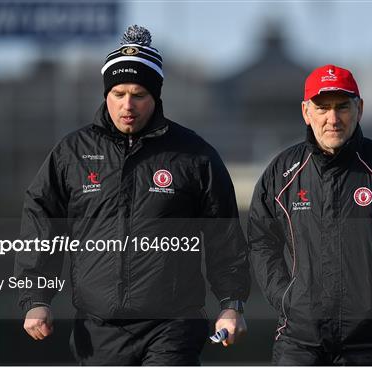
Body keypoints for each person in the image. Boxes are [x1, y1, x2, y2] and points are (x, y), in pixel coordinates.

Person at [14, 25, 250, 365]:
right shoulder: (71, 153)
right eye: (118, 93)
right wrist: (36, 298)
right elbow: (41, 224)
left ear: (155, 96)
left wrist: (231, 304)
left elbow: (223, 238)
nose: (128, 104)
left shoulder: (194, 155)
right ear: (106, 94)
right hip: (98, 331)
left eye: (138, 94)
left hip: (174, 326)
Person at [248, 64, 372, 365]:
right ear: (305, 112)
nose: (332, 118)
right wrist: (285, 298)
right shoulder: (281, 172)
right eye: (322, 107)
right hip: (299, 343)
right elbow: (261, 241)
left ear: (359, 109)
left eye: (342, 107)